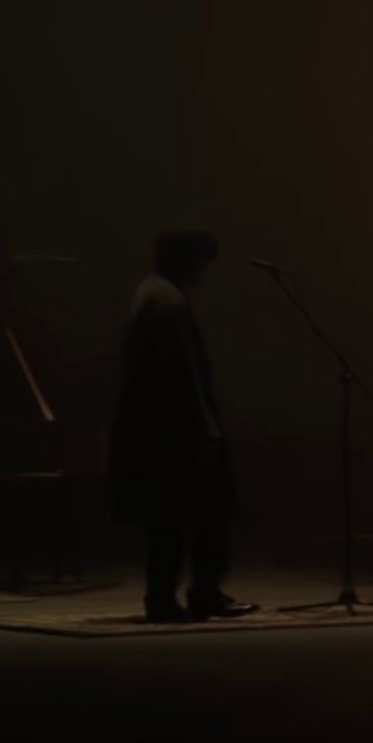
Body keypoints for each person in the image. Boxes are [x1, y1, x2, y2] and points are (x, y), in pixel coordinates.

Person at [112, 229, 256, 621]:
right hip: (176, 431)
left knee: (178, 518)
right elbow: (180, 373)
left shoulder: (157, 293)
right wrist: (206, 426)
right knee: (198, 515)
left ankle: (181, 596)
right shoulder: (165, 300)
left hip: (168, 428)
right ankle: (184, 596)